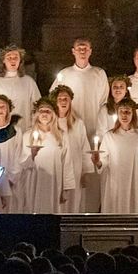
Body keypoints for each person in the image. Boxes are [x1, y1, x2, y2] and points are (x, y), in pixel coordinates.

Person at [92, 99, 138, 215]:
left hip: (134, 185)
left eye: (128, 112)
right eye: (121, 112)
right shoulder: (109, 136)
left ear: (133, 114)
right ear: (117, 114)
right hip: (114, 185)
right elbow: (103, 161)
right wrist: (97, 161)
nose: (124, 115)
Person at [14, 98, 72, 213]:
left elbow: (67, 162)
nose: (44, 114)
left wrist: (66, 187)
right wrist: (32, 156)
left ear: (53, 115)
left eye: (48, 111)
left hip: (54, 182)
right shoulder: (28, 136)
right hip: (34, 181)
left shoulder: (61, 136)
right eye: (41, 111)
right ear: (36, 115)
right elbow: (21, 163)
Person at [52, 38, 109, 145]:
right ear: (73, 51)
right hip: (70, 124)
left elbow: (103, 101)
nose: (82, 51)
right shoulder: (64, 74)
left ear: (90, 51)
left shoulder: (99, 73)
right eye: (79, 48)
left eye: (85, 48)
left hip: (93, 124)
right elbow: (54, 99)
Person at [53, 84, 97, 213]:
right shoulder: (51, 122)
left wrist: (86, 171)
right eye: (60, 98)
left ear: (71, 101)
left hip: (75, 168)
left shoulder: (78, 123)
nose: (63, 101)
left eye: (66, 98)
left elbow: (84, 147)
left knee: (73, 202)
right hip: (56, 169)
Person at [0, 45, 42, 124]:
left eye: (15, 57)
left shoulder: (28, 82)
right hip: (0, 127)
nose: (12, 60)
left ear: (20, 61)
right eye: (9, 57)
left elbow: (37, 105)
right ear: (3, 60)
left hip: (23, 125)